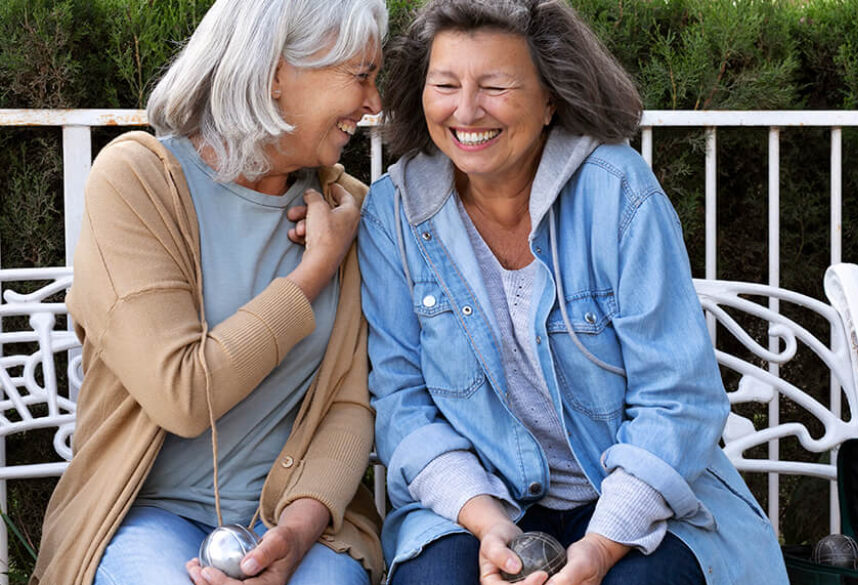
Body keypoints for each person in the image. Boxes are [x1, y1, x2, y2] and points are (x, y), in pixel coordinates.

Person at [357, 1, 789, 584]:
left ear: (550, 99)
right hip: (481, 499)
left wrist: (602, 546)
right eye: (446, 84)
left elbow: (678, 398)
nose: (465, 110)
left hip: (633, 495)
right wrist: (488, 527)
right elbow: (404, 404)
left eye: (495, 85)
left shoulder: (618, 190)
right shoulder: (393, 214)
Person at [30, 1, 387, 584]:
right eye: (361, 75)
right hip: (141, 516)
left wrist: (294, 538)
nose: (374, 103)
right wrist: (314, 270)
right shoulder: (138, 181)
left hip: (298, 522)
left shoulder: (346, 205)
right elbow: (184, 394)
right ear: (274, 74)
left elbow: (351, 406)